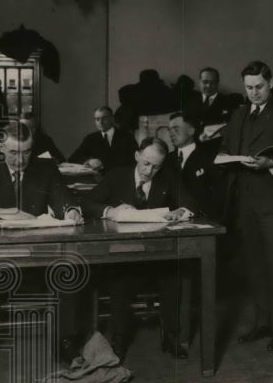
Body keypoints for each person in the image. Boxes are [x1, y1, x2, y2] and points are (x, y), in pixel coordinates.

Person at [0, 121, 85, 372]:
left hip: (38, 259)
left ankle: (66, 343)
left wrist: (71, 210)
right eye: (13, 153)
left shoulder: (46, 167)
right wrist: (1, 212)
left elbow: (63, 196)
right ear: (1, 148)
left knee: (70, 272)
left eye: (27, 152)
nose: (21, 159)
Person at [82, 138, 196, 361]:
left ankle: (171, 337)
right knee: (120, 279)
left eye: (155, 167)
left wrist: (180, 211)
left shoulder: (169, 177)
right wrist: (110, 211)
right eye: (145, 163)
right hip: (122, 254)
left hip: (157, 255)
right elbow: (87, 203)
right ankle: (120, 338)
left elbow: (191, 204)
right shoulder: (116, 176)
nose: (149, 171)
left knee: (173, 275)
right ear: (136, 156)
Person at [219, 60, 273, 352]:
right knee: (254, 266)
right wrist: (223, 156)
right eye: (249, 88)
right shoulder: (239, 114)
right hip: (245, 200)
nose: (254, 93)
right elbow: (227, 147)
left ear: (271, 82)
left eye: (259, 87)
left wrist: (271, 162)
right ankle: (263, 322)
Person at [166, 111, 221, 220]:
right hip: (170, 220)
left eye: (176, 129)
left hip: (202, 220)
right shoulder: (166, 160)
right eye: (169, 130)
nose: (171, 133)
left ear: (191, 130)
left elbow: (217, 197)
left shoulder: (210, 158)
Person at [68, 106, 138, 171]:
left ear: (112, 119)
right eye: (97, 119)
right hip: (99, 179)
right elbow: (73, 158)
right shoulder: (91, 138)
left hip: (121, 176)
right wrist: (89, 161)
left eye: (104, 118)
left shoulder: (127, 137)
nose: (100, 122)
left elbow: (135, 159)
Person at [185, 67, 243, 138]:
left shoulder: (228, 102)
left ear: (217, 83)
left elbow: (232, 128)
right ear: (200, 82)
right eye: (205, 82)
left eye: (212, 82)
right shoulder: (190, 101)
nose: (208, 86)